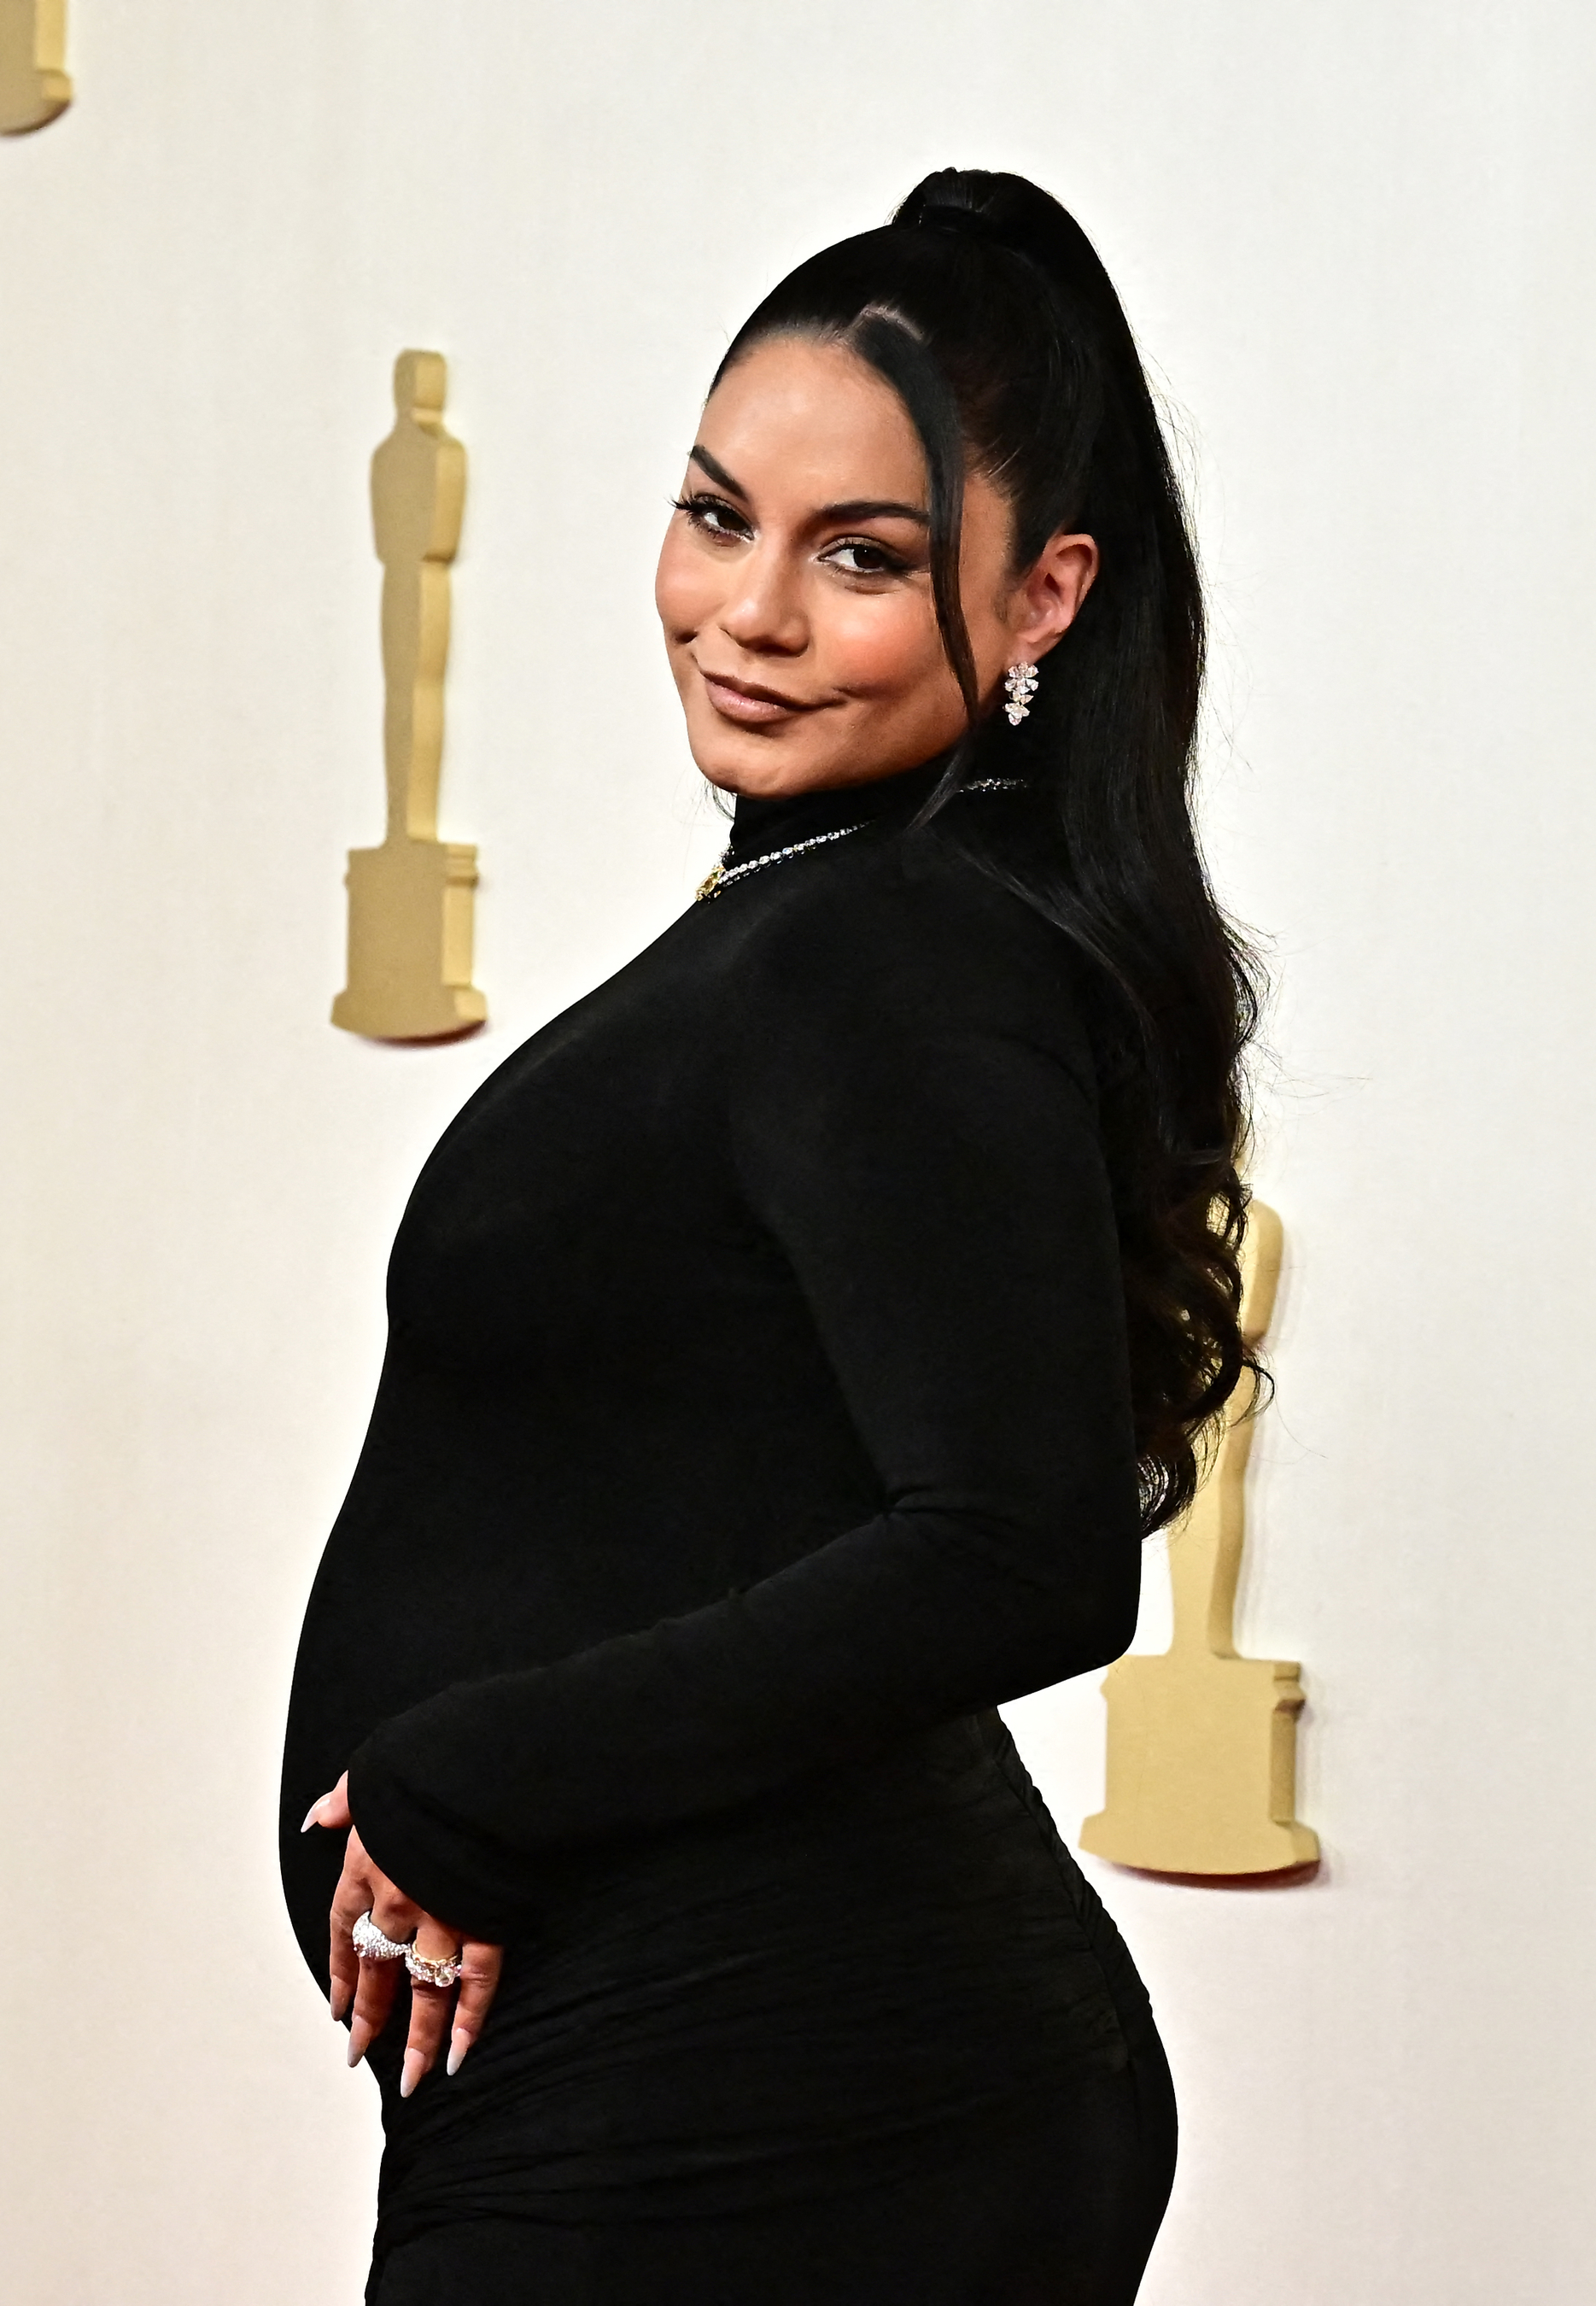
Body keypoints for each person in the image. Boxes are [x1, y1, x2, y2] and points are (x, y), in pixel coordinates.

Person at [278, 166, 1259, 2303]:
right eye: (715, 516)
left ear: (1039, 601)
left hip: (772, 2101)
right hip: (711, 2078)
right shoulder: (828, 917)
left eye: (864, 560)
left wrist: (486, 1771)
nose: (748, 613)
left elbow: (1017, 1546)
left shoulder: (892, 951)